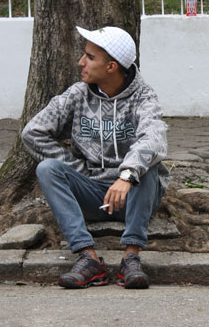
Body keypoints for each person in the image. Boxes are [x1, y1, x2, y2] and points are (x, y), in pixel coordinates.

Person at [22, 26, 169, 289]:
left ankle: (131, 257)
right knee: (47, 169)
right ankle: (87, 259)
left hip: (133, 196)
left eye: (90, 57)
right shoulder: (77, 94)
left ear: (111, 67)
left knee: (150, 166)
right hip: (92, 192)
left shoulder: (143, 97)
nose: (81, 62)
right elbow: (33, 132)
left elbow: (153, 139)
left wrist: (126, 176)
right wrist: (78, 168)